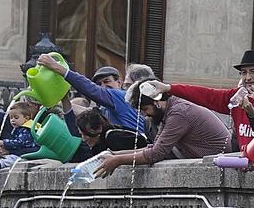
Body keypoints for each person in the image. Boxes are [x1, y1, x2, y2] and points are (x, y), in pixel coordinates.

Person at [90, 81, 232, 175]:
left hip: (221, 169)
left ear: (157, 102)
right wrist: (115, 154)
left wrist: (118, 160)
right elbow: (153, 147)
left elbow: (156, 153)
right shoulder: (170, 111)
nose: (145, 116)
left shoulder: (179, 113)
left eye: (145, 109)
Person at [38, 53, 147, 140]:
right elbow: (78, 131)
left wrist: (57, 68)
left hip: (135, 150)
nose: (103, 86)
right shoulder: (104, 110)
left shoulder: (122, 96)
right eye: (99, 84)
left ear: (119, 82)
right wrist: (63, 99)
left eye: (107, 81)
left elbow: (92, 90)